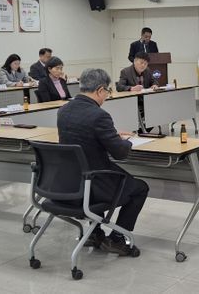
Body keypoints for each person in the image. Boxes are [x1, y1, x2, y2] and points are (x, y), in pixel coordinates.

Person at [58, 68, 148, 256]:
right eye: (107, 91)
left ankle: (95, 233)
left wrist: (111, 135)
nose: (107, 95)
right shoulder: (99, 115)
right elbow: (120, 153)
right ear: (100, 90)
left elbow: (85, 137)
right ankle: (116, 239)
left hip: (68, 182)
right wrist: (127, 141)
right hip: (94, 182)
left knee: (97, 174)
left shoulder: (63, 110)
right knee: (140, 188)